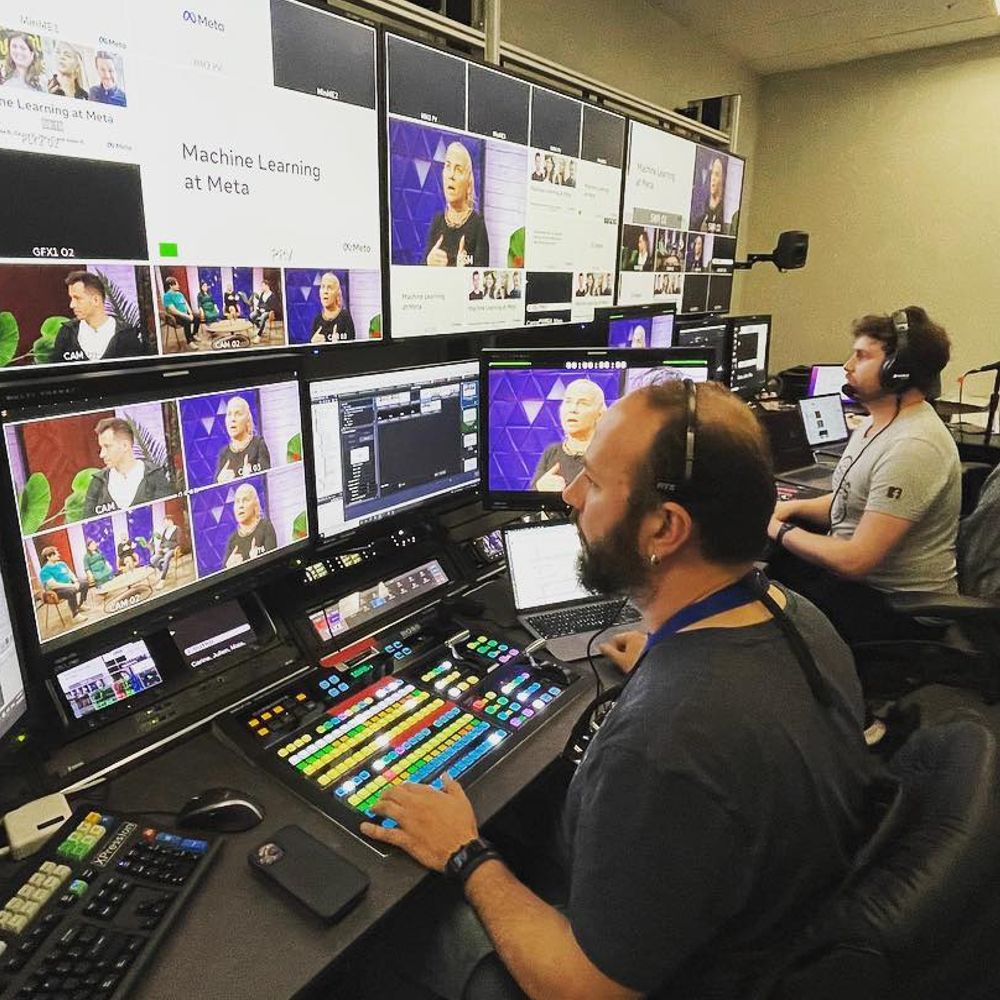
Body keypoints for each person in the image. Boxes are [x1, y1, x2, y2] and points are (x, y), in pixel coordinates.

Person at [362, 381, 876, 1000]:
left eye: (596, 482)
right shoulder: (802, 618)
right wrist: (663, 662)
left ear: (664, 528)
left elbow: (589, 989)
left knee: (394, 925)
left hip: (655, 976)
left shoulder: (666, 743)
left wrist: (464, 852)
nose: (571, 495)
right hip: (754, 921)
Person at [768, 306, 960, 644]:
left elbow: (856, 561)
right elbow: (851, 499)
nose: (847, 366)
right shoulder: (877, 421)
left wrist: (776, 528)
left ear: (897, 371)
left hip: (895, 609)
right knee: (763, 573)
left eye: (861, 356)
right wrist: (789, 508)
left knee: (759, 608)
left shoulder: (914, 445)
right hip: (857, 584)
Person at [83, 417, 173, 517]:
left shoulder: (154, 475)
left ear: (125, 445)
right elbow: (88, 522)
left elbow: (168, 515)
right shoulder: (98, 483)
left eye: (107, 446)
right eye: (101, 447)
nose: (102, 454)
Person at [531, 379, 606, 492]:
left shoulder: (610, 456)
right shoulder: (551, 452)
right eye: (568, 402)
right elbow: (530, 498)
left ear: (600, 413)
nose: (573, 409)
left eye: (583, 403)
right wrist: (541, 489)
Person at [53, 271, 144, 363]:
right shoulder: (67, 333)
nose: (71, 305)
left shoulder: (126, 334)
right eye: (71, 298)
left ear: (96, 300)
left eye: (78, 298)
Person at [424, 141, 489, 268]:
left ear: (468, 181)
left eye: (458, 170)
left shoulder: (477, 225)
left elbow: (482, 274)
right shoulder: (437, 221)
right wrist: (428, 262)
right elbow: (419, 273)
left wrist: (462, 270)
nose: (451, 175)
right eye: (448, 166)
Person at [215, 396, 271, 483]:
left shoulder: (258, 444)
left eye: (238, 414)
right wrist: (220, 482)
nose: (233, 419)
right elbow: (215, 488)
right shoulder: (223, 454)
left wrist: (250, 478)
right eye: (229, 414)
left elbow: (267, 481)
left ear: (247, 419)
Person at [224, 483, 277, 568]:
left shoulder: (265, 527)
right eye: (237, 501)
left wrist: (257, 560)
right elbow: (225, 572)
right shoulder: (232, 540)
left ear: (255, 504)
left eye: (245, 500)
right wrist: (229, 567)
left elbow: (275, 562)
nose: (240, 506)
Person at [39, 546, 89, 621]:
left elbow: (70, 573)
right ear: (48, 557)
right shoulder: (44, 571)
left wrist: (75, 581)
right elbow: (53, 585)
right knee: (71, 591)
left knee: (84, 583)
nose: (58, 555)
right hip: (57, 591)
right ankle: (75, 615)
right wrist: (71, 585)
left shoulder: (62, 564)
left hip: (70, 584)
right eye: (56, 554)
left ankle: (80, 605)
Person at [309, 272, 355, 342]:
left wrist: (336, 345)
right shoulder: (317, 320)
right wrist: (313, 344)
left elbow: (352, 345)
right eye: (323, 287)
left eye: (329, 288)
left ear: (337, 293)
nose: (325, 292)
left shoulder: (345, 317)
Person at [162, 276, 201, 348]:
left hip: (185, 313)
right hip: (176, 316)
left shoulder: (179, 294)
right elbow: (174, 311)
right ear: (171, 286)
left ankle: (194, 334)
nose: (178, 286)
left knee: (197, 317)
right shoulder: (167, 296)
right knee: (187, 321)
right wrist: (186, 316)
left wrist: (190, 313)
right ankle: (189, 341)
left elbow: (186, 304)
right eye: (177, 284)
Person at [695, 155, 727, 234]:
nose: (713, 178)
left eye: (717, 174)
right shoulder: (700, 212)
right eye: (712, 173)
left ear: (723, 178)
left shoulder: (723, 215)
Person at [150, 515, 181, 589]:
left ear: (170, 521)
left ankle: (162, 580)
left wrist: (168, 548)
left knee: (166, 558)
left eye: (165, 522)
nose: (164, 524)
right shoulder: (165, 530)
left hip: (173, 549)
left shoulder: (177, 529)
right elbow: (162, 542)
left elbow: (178, 542)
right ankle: (162, 571)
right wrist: (160, 548)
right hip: (164, 550)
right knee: (153, 559)